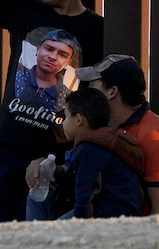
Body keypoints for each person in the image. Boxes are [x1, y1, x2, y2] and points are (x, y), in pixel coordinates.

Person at [0, 0, 104, 223]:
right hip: (10, 141)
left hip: (58, 148)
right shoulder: (26, 11)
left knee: (47, 227)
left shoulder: (96, 28)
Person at [0, 28, 82, 222]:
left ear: (68, 62)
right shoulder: (20, 81)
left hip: (49, 162)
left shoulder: (66, 96)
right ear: (37, 51)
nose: (52, 56)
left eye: (62, 54)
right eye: (49, 49)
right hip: (7, 152)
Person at [77, 55, 159, 215]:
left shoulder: (156, 135)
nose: (86, 92)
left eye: (92, 85)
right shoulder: (108, 128)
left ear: (111, 92)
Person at [56, 88, 143, 219]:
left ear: (78, 120)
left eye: (66, 116)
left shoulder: (89, 148)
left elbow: (86, 192)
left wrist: (80, 225)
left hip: (108, 215)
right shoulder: (108, 141)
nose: (63, 122)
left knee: (52, 231)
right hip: (127, 211)